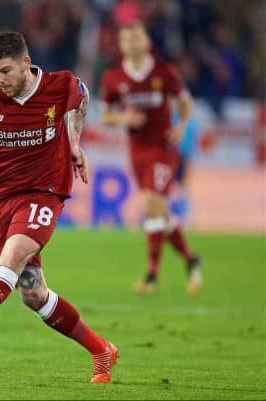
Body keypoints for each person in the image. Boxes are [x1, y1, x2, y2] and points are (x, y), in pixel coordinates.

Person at [0, 30, 118, 384]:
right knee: (33, 294)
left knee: (14, 256)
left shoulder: (60, 84)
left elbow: (80, 101)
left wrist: (74, 144)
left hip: (44, 192)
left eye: (4, 71)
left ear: (25, 62)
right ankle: (101, 350)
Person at [99, 21, 201, 295]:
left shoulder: (163, 72)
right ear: (121, 45)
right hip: (137, 152)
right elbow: (106, 115)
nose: (132, 44)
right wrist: (124, 117)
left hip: (163, 148)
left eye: (136, 39)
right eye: (127, 40)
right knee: (159, 210)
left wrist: (181, 128)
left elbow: (185, 102)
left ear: (146, 43)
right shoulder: (113, 77)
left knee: (152, 202)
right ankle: (191, 259)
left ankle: (152, 275)